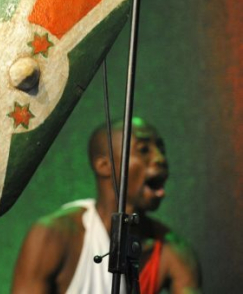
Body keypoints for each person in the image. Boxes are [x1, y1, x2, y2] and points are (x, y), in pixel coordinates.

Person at [11, 117, 202, 293]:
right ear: (104, 165)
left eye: (161, 149)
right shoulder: (52, 235)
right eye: (143, 150)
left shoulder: (173, 250)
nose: (160, 158)